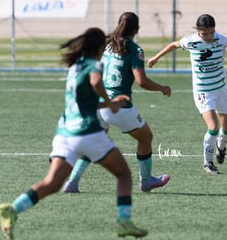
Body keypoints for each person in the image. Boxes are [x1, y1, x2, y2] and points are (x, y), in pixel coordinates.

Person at [0, 27, 147, 240]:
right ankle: (124, 221)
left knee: (53, 183)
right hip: (87, 133)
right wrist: (112, 104)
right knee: (123, 174)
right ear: (100, 48)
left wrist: (107, 102)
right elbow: (95, 82)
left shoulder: (75, 67)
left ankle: (12, 209)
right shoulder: (95, 65)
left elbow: (86, 99)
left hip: (64, 133)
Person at [63, 12, 171, 193]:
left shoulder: (105, 44)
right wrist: (162, 88)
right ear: (137, 30)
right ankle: (146, 180)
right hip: (119, 107)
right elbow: (141, 81)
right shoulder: (135, 50)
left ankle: (72, 182)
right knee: (146, 138)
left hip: (98, 104)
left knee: (94, 141)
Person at [148, 14, 227, 174]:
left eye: (211, 32)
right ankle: (207, 162)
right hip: (203, 91)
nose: (209, 36)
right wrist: (156, 58)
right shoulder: (191, 41)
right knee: (213, 127)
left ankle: (221, 147)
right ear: (198, 31)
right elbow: (173, 45)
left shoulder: (222, 39)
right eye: (205, 34)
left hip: (221, 88)